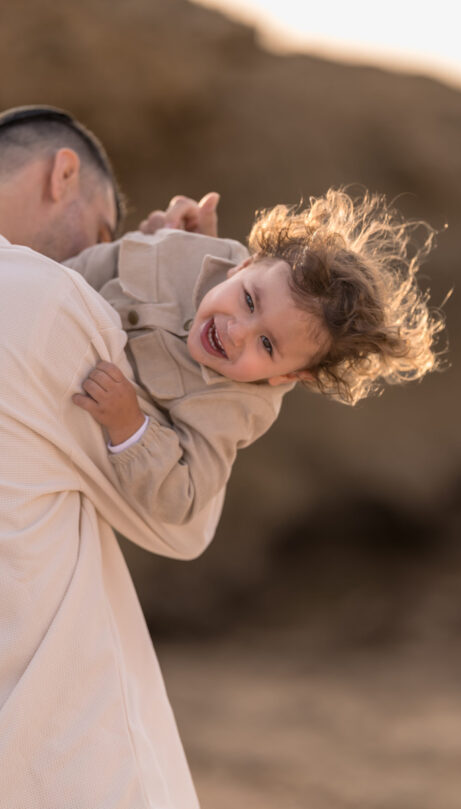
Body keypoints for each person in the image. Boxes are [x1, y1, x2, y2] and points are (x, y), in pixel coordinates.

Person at [0, 106, 223, 809]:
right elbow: (181, 522)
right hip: (55, 762)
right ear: (63, 174)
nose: (87, 261)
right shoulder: (45, 299)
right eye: (101, 234)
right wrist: (181, 288)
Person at [64, 188, 442, 527]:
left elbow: (183, 500)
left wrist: (129, 426)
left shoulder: (233, 407)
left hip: (74, 418)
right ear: (243, 265)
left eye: (267, 345)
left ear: (291, 375)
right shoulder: (187, 252)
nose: (236, 332)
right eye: (248, 301)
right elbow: (98, 264)